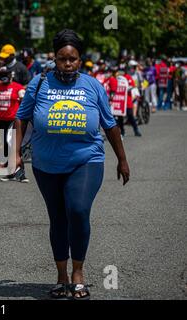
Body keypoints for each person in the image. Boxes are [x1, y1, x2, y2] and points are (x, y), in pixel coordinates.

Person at [14, 30, 130, 300]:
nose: (67, 64)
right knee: (57, 218)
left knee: (77, 210)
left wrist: (122, 159)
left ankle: (78, 273)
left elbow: (109, 124)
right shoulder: (39, 84)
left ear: (80, 60)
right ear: (54, 58)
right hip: (46, 164)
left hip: (86, 160)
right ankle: (61, 276)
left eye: (73, 59)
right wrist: (15, 154)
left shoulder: (93, 86)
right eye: (62, 59)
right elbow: (21, 118)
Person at [0, 66, 27, 178]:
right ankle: (9, 170)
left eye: (6, 74)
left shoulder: (17, 87)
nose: (4, 77)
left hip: (13, 120)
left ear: (10, 75)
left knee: (13, 145)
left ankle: (19, 171)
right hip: (0, 119)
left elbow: (24, 101)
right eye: (2, 75)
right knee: (4, 145)